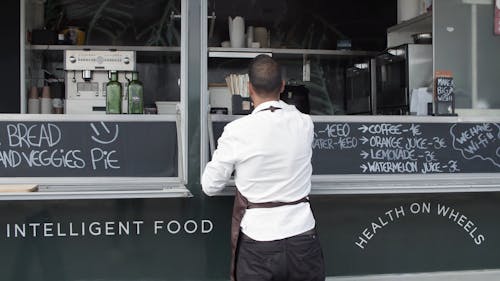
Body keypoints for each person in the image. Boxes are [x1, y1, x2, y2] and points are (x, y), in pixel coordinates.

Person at [202, 55, 325, 281]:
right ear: (282, 86)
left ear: (249, 88)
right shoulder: (304, 123)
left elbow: (210, 186)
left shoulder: (237, 131)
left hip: (259, 243)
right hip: (303, 238)